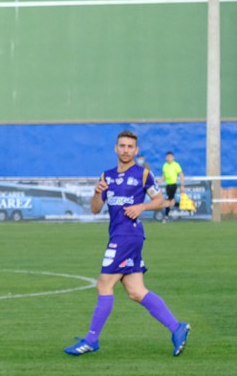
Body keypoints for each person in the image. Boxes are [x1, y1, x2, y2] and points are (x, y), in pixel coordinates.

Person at [64, 131, 189, 357]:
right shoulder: (107, 177)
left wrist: (141, 207)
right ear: (115, 148)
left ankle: (91, 339)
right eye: (122, 146)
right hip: (118, 235)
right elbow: (95, 209)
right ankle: (176, 327)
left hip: (127, 236)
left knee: (103, 285)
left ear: (136, 150)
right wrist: (96, 193)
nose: (126, 150)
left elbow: (160, 200)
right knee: (135, 291)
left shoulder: (143, 175)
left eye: (130, 147)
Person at [161, 151, 183, 220]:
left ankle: (166, 216)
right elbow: (163, 177)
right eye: (167, 157)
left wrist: (182, 185)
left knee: (168, 200)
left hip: (173, 185)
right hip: (168, 185)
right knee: (171, 202)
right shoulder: (165, 165)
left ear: (173, 157)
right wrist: (159, 181)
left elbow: (181, 175)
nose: (169, 158)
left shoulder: (176, 165)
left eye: (170, 157)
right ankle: (181, 206)